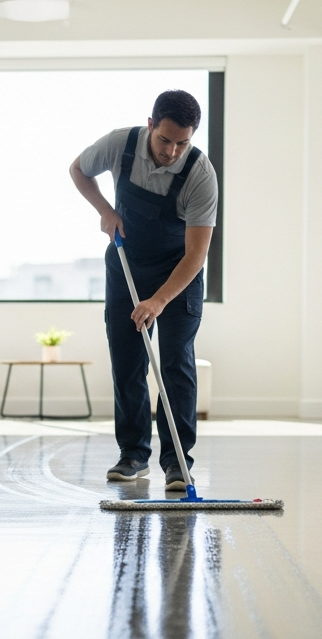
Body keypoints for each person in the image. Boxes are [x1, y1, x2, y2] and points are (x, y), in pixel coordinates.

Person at [69, 90, 218, 491]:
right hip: (127, 265)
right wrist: (105, 210)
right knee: (128, 360)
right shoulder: (121, 144)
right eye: (165, 139)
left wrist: (158, 300)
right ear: (150, 125)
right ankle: (133, 454)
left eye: (182, 143)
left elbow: (196, 254)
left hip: (178, 274)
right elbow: (78, 170)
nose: (172, 151)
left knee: (175, 364)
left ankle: (176, 462)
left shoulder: (200, 175)